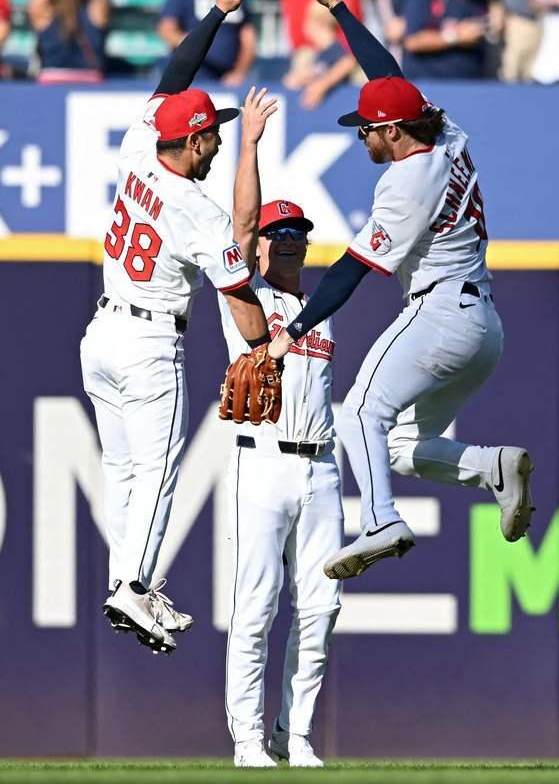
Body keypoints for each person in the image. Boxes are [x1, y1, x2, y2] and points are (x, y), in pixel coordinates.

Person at [273, 0, 534, 580]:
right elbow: (388, 78)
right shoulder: (448, 134)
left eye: (366, 128)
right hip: (483, 325)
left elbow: (352, 270)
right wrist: (339, 7)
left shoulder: (405, 182)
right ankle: (491, 466)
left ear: (391, 132)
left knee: (359, 412)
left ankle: (381, 521)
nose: (361, 136)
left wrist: (293, 331)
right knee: (394, 448)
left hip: (439, 312)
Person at [82, 0, 280, 655]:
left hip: (101, 332)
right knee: (159, 470)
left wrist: (221, 7)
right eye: (214, 136)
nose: (218, 144)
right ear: (193, 143)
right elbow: (238, 294)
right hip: (146, 344)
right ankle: (133, 587)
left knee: (122, 471)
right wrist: (267, 349)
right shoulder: (196, 208)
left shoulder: (137, 149)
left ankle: (123, 581)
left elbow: (176, 71)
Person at [221, 199, 341, 770]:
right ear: (262, 242)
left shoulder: (321, 307)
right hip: (263, 463)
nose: (289, 239)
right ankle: (246, 739)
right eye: (278, 231)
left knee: (322, 606)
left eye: (298, 232)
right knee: (257, 605)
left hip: (321, 466)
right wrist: (250, 146)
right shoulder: (250, 300)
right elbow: (240, 238)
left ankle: (293, 735)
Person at [30, 0, 110, 83]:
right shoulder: (95, 8)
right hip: (89, 82)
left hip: (51, 81)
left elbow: (35, 2)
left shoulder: (46, 13)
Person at [282, 4, 360, 109]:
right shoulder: (320, 54)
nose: (305, 25)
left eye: (308, 20)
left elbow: (348, 62)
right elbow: (317, 72)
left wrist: (322, 85)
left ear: (320, 23)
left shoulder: (335, 50)